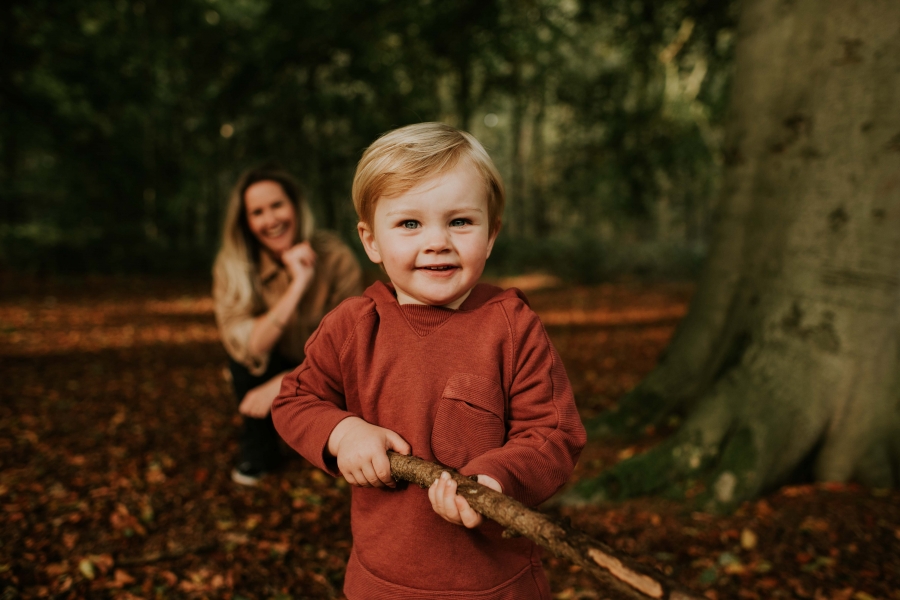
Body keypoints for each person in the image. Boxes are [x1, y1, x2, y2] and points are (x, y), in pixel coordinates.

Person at [271, 123, 586, 598]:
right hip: (380, 583)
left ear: (491, 233)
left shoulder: (511, 326)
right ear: (371, 240)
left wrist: (496, 479)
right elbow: (295, 399)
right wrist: (343, 432)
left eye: (460, 221)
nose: (437, 241)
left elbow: (554, 433)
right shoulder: (354, 326)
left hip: (496, 586)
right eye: (409, 224)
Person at [213, 165, 363, 486]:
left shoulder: (335, 257)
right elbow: (248, 346)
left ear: (295, 206)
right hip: (267, 362)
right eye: (257, 212)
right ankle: (260, 447)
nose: (271, 220)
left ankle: (327, 438)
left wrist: (288, 379)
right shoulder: (233, 267)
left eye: (277, 205)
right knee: (243, 364)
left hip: (328, 368)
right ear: (246, 222)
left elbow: (354, 343)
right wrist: (298, 284)